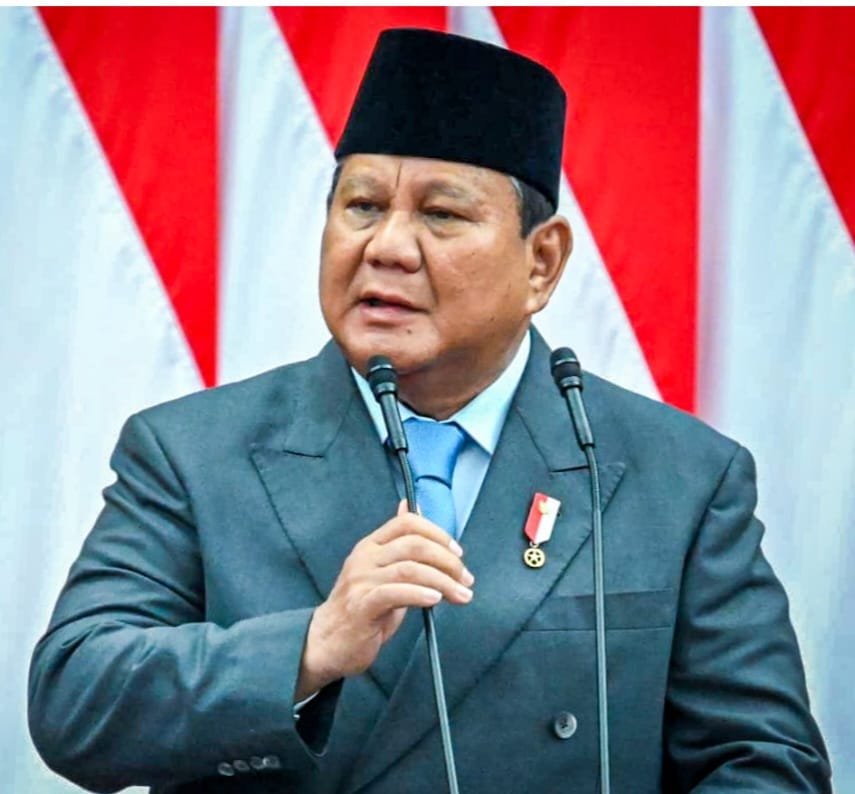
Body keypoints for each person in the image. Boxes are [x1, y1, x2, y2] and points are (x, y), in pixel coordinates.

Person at [29, 29, 830, 794]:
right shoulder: (193, 452)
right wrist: (309, 648)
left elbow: (761, 761)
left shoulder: (677, 477)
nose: (385, 246)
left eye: (441, 214)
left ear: (541, 262)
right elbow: (76, 701)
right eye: (362, 205)